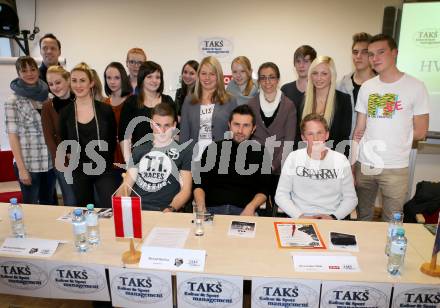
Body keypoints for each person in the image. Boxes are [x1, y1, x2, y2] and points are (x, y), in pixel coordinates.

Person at [352, 34, 429, 222]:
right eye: (371, 54)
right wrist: (352, 163)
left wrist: (392, 141)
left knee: (392, 220)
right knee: (364, 216)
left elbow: (421, 131)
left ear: (394, 53)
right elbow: (359, 130)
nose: (374, 58)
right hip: (366, 164)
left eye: (380, 52)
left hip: (395, 167)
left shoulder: (415, 86)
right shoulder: (367, 87)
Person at [59, 62, 118, 208]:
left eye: (82, 80)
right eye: (74, 80)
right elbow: (65, 143)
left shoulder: (105, 110)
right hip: (79, 170)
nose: (78, 85)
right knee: (85, 209)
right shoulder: (65, 113)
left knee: (109, 207)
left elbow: (111, 140)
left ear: (91, 83)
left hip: (104, 168)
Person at [275, 114, 357, 219]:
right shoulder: (293, 158)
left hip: (331, 218)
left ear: (327, 135)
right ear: (303, 137)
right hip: (300, 218)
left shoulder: (340, 160)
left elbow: (351, 198)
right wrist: (299, 216)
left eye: (319, 133)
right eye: (310, 134)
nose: (316, 138)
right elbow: (281, 195)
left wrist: (334, 217)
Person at [193, 105, 269, 216]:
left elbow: (264, 190)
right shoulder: (213, 149)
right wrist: (201, 207)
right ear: (229, 125)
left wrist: (251, 207)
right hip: (212, 211)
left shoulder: (261, 154)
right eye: (236, 124)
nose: (240, 130)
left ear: (253, 128)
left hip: (244, 212)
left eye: (246, 126)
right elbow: (198, 183)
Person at [118, 103, 193, 212]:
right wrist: (121, 200)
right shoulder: (139, 150)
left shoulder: (184, 151)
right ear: (151, 124)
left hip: (167, 210)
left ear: (174, 126)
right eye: (158, 125)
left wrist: (171, 208)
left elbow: (186, 190)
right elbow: (126, 185)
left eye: (166, 125)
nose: (162, 131)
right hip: (139, 210)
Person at [5, 56, 56, 204]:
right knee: (31, 205)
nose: (29, 73)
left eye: (33, 69)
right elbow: (12, 136)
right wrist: (21, 169)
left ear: (38, 71)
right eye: (24, 70)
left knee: (49, 204)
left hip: (50, 163)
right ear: (18, 73)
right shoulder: (12, 102)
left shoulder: (49, 97)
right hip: (28, 164)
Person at [247, 62, 296, 189]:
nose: (267, 81)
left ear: (278, 80)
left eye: (271, 77)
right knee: (258, 206)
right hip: (255, 166)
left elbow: (289, 140)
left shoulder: (289, 105)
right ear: (259, 81)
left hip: (280, 168)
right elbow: (248, 138)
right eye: (263, 77)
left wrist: (273, 165)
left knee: (278, 205)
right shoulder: (251, 105)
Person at [180, 56, 238, 158]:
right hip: (194, 158)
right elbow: (184, 134)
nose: (207, 78)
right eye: (203, 73)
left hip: (221, 159)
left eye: (212, 74)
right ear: (198, 76)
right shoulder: (189, 100)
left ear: (218, 76)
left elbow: (234, 133)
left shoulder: (230, 100)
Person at [119, 61, 176, 163]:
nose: (154, 80)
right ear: (142, 79)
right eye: (149, 77)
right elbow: (124, 136)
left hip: (165, 159)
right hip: (139, 159)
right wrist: (129, 164)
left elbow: (175, 132)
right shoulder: (131, 102)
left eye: (158, 77)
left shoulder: (168, 101)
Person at [299, 56, 352, 156]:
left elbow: (344, 138)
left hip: (333, 160)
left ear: (332, 76)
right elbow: (299, 136)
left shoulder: (343, 100)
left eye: (324, 73)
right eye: (315, 73)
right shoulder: (302, 100)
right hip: (307, 159)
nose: (319, 78)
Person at [41, 65, 76, 206]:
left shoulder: (81, 100)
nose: (54, 87)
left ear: (68, 80)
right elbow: (49, 138)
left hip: (86, 159)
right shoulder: (47, 107)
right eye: (51, 84)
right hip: (63, 162)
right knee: (71, 200)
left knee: (90, 199)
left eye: (58, 82)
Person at [338, 32, 376, 137]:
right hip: (342, 148)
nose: (358, 56)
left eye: (364, 52)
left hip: (370, 148)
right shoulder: (340, 86)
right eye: (355, 52)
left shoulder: (381, 87)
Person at [103, 62, 133, 172]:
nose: (112, 81)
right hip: (110, 159)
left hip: (130, 157)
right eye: (108, 78)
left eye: (116, 78)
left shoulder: (133, 101)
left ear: (123, 79)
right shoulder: (105, 103)